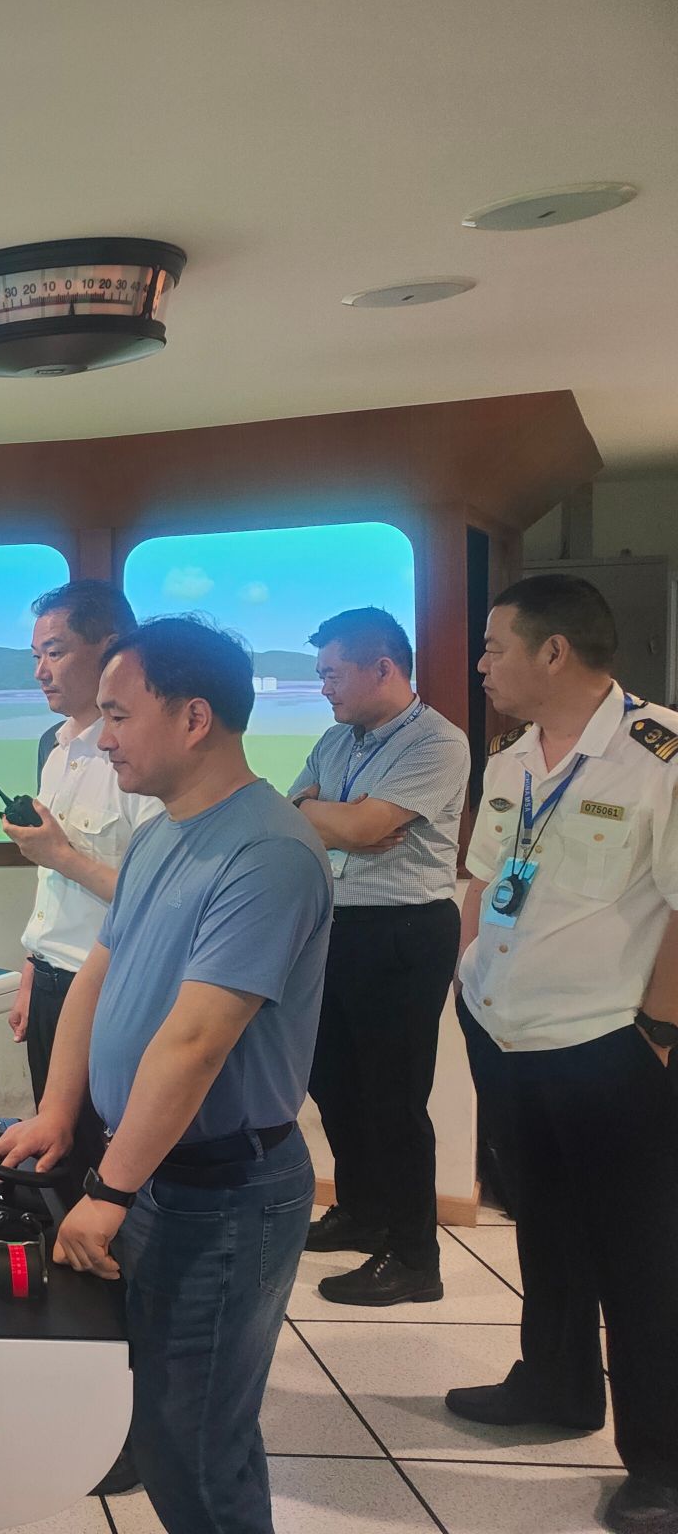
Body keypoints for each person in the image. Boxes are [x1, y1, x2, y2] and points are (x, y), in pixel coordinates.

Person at [0, 616, 332, 1534]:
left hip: (223, 1189)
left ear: (193, 718)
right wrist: (58, 1112)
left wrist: (108, 1188)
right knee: (163, 1413)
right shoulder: (160, 835)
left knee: (196, 1444)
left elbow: (196, 1044)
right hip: (153, 1171)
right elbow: (97, 976)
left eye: (118, 714)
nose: (102, 738)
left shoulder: (267, 852)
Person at [450, 574, 678, 1533]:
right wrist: (464, 982)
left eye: (494, 646)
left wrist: (657, 1035)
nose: (481, 664)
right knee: (542, 1227)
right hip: (507, 1034)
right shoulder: (511, 759)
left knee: (641, 1257)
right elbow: (484, 879)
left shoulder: (658, 755)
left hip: (610, 1046)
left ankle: (663, 1465)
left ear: (554, 652)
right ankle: (556, 1384)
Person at [286, 608, 469, 1305]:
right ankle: (361, 1213)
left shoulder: (437, 742)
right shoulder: (336, 739)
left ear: (383, 668)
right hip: (333, 927)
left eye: (333, 674)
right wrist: (340, 822)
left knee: (394, 1099)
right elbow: (289, 812)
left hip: (404, 932)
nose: (323, 688)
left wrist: (346, 822)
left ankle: (415, 1257)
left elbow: (366, 825)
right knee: (333, 1084)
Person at [6, 580, 161, 1171]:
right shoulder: (55, 748)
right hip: (52, 985)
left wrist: (62, 855)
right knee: (57, 1162)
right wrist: (32, 968)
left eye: (56, 652)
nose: (41, 671)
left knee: (109, 1166)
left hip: (112, 991)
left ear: (112, 648)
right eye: (36, 656)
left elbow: (159, 901)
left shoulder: (144, 759)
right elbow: (55, 887)